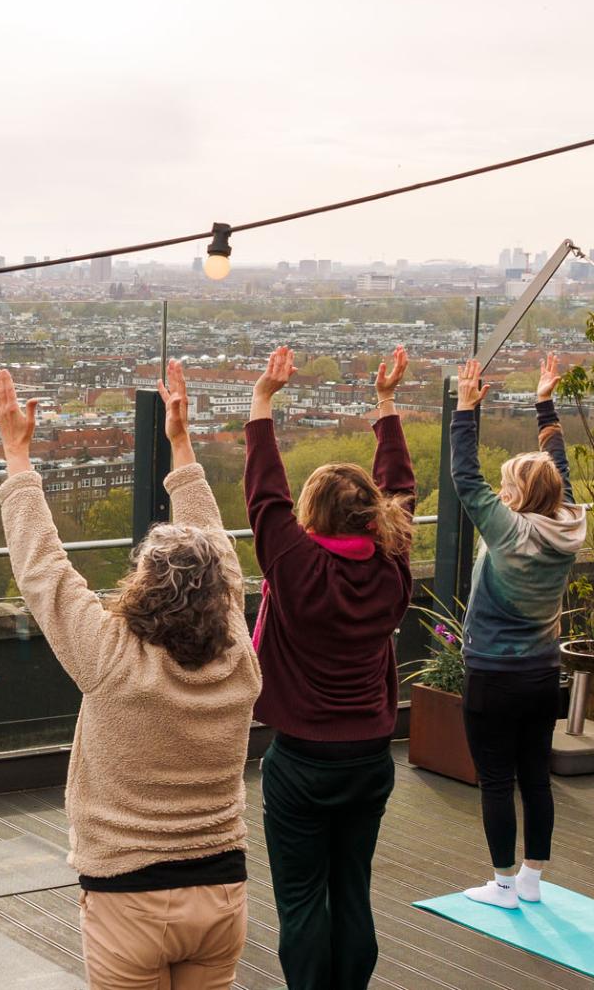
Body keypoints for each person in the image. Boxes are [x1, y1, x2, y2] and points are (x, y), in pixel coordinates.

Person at [0, 363, 259, 990]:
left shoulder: (111, 655)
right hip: (222, 892)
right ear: (223, 595)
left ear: (142, 585)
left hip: (126, 897)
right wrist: (182, 447)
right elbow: (220, 552)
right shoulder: (239, 659)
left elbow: (44, 571)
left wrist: (16, 455)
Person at [243, 345, 415, 990]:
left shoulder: (296, 568)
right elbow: (401, 493)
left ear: (309, 520)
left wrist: (263, 399)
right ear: (374, 518)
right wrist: (387, 405)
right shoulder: (391, 566)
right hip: (371, 754)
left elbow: (264, 497)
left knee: (301, 899)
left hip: (303, 760)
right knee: (353, 889)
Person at [452, 354, 584, 909]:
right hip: (542, 674)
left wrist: (464, 409)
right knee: (535, 776)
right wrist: (544, 403)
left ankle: (503, 885)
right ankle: (531, 879)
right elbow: (559, 470)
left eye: (508, 485)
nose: (499, 490)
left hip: (492, 677)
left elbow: (465, 476)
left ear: (518, 497)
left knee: (497, 780)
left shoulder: (507, 531)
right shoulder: (570, 523)